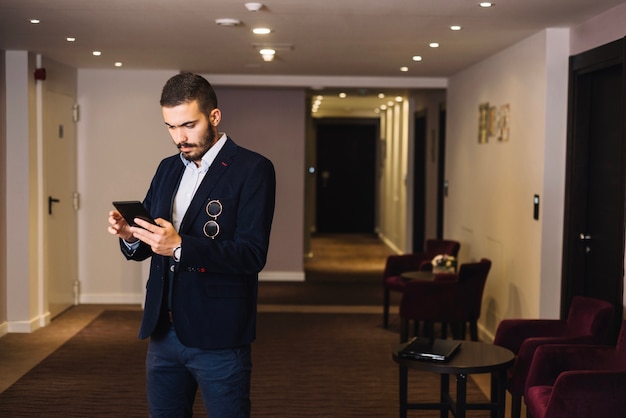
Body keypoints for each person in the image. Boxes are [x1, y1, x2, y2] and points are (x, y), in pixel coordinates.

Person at [108, 72, 276, 417]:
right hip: (163, 331)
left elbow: (251, 255)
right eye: (170, 127)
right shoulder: (167, 168)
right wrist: (129, 236)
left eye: (188, 125)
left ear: (214, 116)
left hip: (219, 333)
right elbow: (153, 242)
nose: (179, 138)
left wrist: (181, 245)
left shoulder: (253, 169)